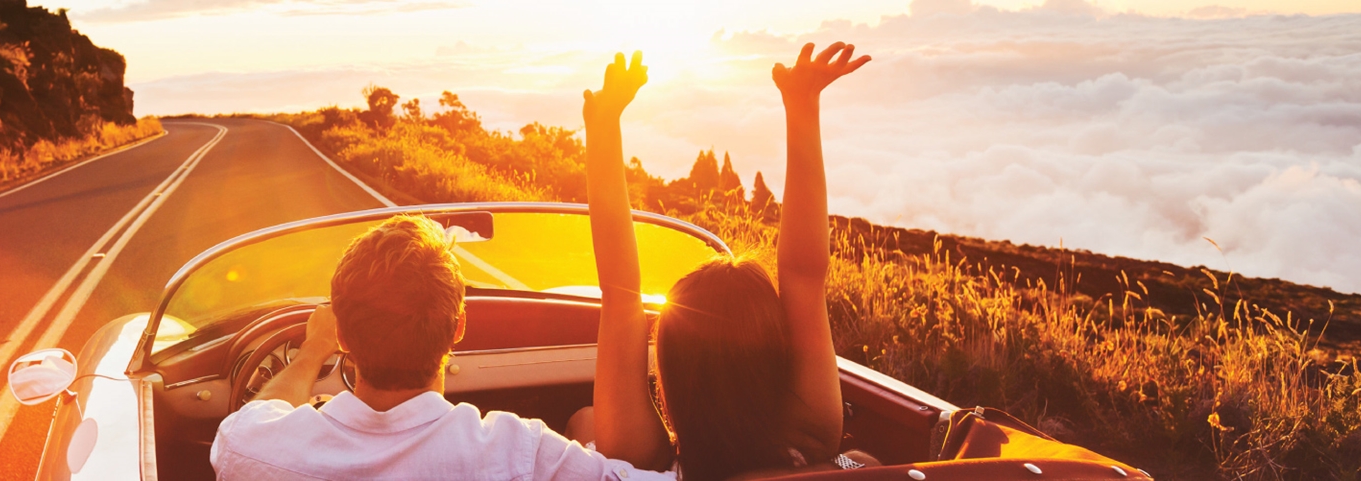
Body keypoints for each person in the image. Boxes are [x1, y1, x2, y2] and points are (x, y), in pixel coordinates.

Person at [577, 44, 877, 480]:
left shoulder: (640, 462)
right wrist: (802, 105)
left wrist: (602, 126)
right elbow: (804, 276)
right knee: (863, 460)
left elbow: (620, 293)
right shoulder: (815, 443)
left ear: (669, 377)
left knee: (583, 422)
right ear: (779, 361)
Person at [211, 215, 671, 480]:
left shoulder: (253, 450)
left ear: (345, 337)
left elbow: (249, 421)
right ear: (459, 329)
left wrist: (313, 350)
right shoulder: (519, 455)